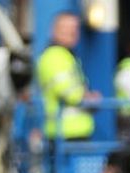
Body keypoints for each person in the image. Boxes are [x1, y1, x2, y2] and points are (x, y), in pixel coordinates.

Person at [36, 12, 94, 141]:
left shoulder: (68, 56)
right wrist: (87, 97)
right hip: (62, 135)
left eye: (75, 28)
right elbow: (70, 93)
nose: (72, 33)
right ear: (54, 30)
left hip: (74, 133)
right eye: (66, 29)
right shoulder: (54, 56)